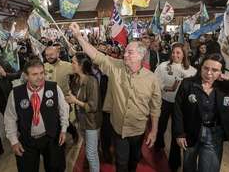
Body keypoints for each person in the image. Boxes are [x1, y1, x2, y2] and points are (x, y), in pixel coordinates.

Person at [69, 22, 161, 172]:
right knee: (121, 162)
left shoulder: (152, 79)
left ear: (140, 55)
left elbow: (155, 107)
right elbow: (96, 55)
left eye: (129, 52)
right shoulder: (115, 66)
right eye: (125, 51)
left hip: (138, 130)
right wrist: (79, 36)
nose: (125, 54)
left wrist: (154, 130)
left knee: (134, 161)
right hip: (118, 129)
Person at [174, 54, 229, 172]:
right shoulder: (188, 83)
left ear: (221, 72)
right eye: (206, 68)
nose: (209, 73)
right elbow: (178, 109)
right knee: (188, 166)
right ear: (201, 67)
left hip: (214, 135)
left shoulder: (228, 89)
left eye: (215, 70)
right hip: (190, 133)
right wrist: (179, 133)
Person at [4, 59, 69, 172]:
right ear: (26, 76)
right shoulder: (16, 93)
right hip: (27, 140)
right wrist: (14, 141)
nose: (40, 77)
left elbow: (64, 109)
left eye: (42, 73)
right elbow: (10, 118)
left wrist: (63, 129)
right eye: (34, 74)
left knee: (56, 168)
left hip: (52, 137)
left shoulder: (54, 88)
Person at [154, 42, 197, 172]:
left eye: (178, 52)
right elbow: (155, 83)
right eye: (173, 52)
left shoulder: (192, 71)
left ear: (184, 54)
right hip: (165, 101)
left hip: (181, 107)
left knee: (176, 132)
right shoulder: (163, 66)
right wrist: (166, 87)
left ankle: (174, 160)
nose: (175, 55)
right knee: (161, 125)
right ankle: (158, 143)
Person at [65, 52, 102, 172]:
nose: (71, 64)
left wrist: (75, 101)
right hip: (81, 120)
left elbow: (93, 106)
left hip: (91, 123)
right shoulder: (76, 79)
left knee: (91, 154)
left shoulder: (92, 81)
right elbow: (74, 96)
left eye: (74, 62)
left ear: (81, 65)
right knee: (88, 149)